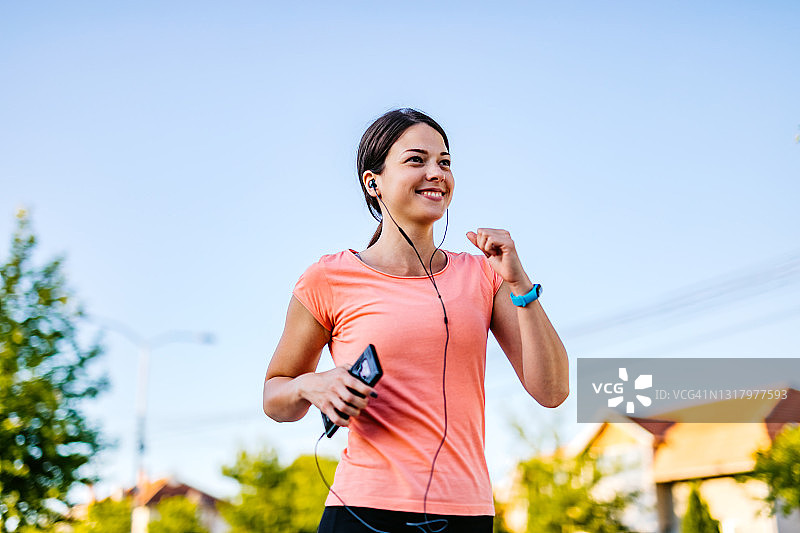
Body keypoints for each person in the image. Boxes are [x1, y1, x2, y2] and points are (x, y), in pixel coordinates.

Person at [263, 108, 569, 533]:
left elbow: (552, 391)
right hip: (363, 511)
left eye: (444, 161)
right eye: (416, 160)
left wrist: (520, 282)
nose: (436, 173)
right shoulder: (328, 278)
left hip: (465, 512)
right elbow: (274, 398)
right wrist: (310, 384)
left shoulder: (484, 274)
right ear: (374, 183)